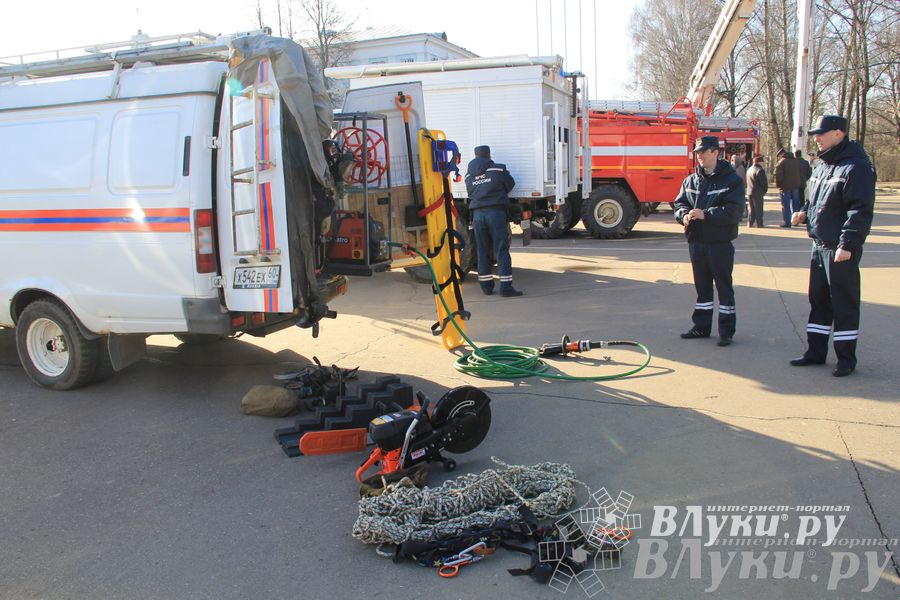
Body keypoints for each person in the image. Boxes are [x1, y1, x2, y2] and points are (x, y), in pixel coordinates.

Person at [789, 115, 875, 377]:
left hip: (840, 248)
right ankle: (815, 352)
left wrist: (848, 243)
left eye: (821, 133)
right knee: (819, 301)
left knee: (844, 304)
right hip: (819, 245)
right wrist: (804, 212)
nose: (817, 137)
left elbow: (859, 210)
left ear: (838, 134)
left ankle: (846, 359)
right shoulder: (823, 165)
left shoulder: (855, 167)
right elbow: (815, 199)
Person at [673, 136, 744, 347]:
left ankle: (726, 331)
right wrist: (683, 216)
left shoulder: (732, 181)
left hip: (720, 243)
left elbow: (734, 212)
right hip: (697, 242)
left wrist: (707, 214)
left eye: (704, 151)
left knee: (724, 287)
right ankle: (701, 327)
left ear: (716, 152)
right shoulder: (691, 180)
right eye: (698, 152)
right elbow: (679, 204)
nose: (700, 156)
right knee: (702, 288)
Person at [464, 145, 523, 297]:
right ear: (489, 155)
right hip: (495, 213)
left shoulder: (468, 176)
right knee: (501, 249)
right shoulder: (498, 170)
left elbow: (470, 192)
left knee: (482, 249)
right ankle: (506, 288)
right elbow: (510, 184)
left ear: (476, 156)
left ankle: (486, 287)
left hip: (477, 215)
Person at [774, 147, 802, 227]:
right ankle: (795, 221)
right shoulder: (796, 161)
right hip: (796, 185)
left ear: (781, 155)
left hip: (785, 186)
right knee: (795, 204)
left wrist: (779, 185)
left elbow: (778, 175)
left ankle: (787, 223)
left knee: (785, 205)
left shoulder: (781, 162)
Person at [746, 155, 768, 227]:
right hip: (758, 192)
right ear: (760, 162)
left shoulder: (749, 169)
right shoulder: (760, 170)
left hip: (750, 191)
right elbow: (764, 183)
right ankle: (759, 223)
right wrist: (764, 191)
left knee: (751, 208)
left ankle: (750, 222)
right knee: (758, 209)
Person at [731, 154, 748, 221]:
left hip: (738, 189)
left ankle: (739, 216)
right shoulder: (740, 167)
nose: (732, 162)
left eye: (733, 160)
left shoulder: (737, 169)